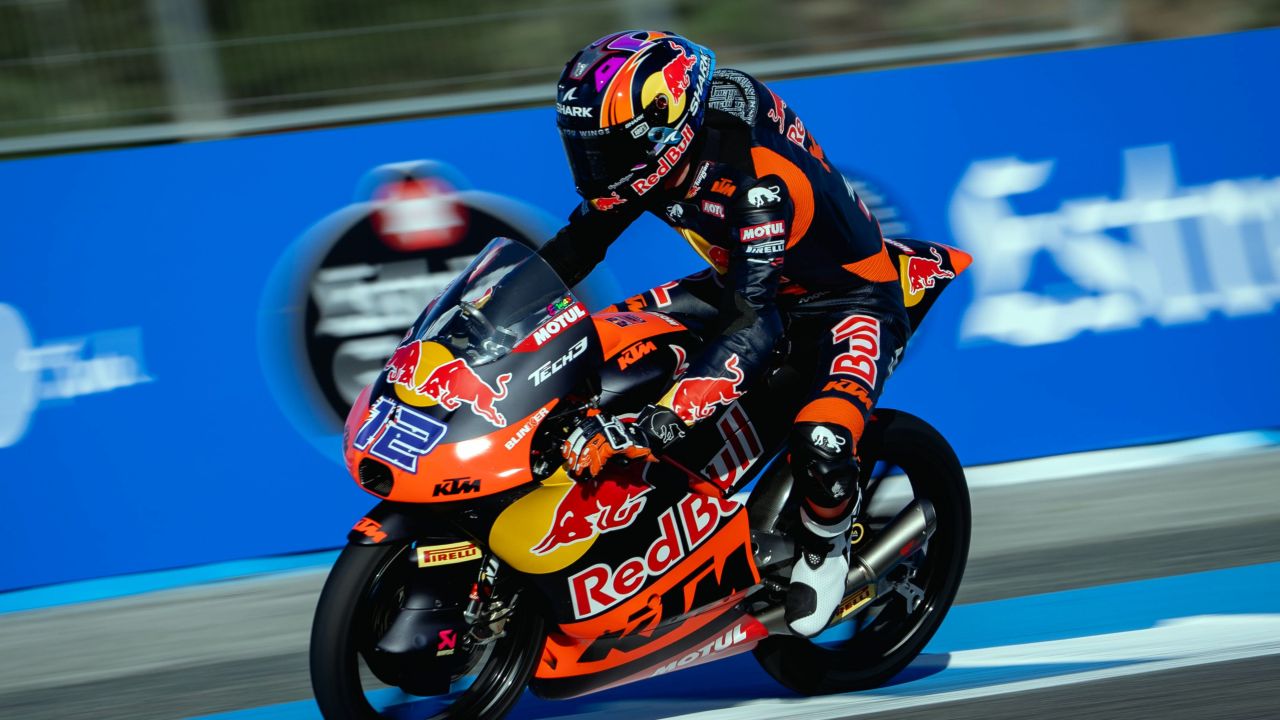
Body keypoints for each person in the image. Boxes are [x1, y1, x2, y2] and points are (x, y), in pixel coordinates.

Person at [539, 30, 911, 638]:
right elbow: (579, 243)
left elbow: (752, 325)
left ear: (665, 133)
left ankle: (827, 548)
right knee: (599, 341)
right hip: (745, 279)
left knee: (820, 439)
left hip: (846, 301)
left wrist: (662, 418)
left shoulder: (753, 183)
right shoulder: (657, 151)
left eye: (608, 149)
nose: (595, 166)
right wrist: (483, 310)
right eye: (586, 149)